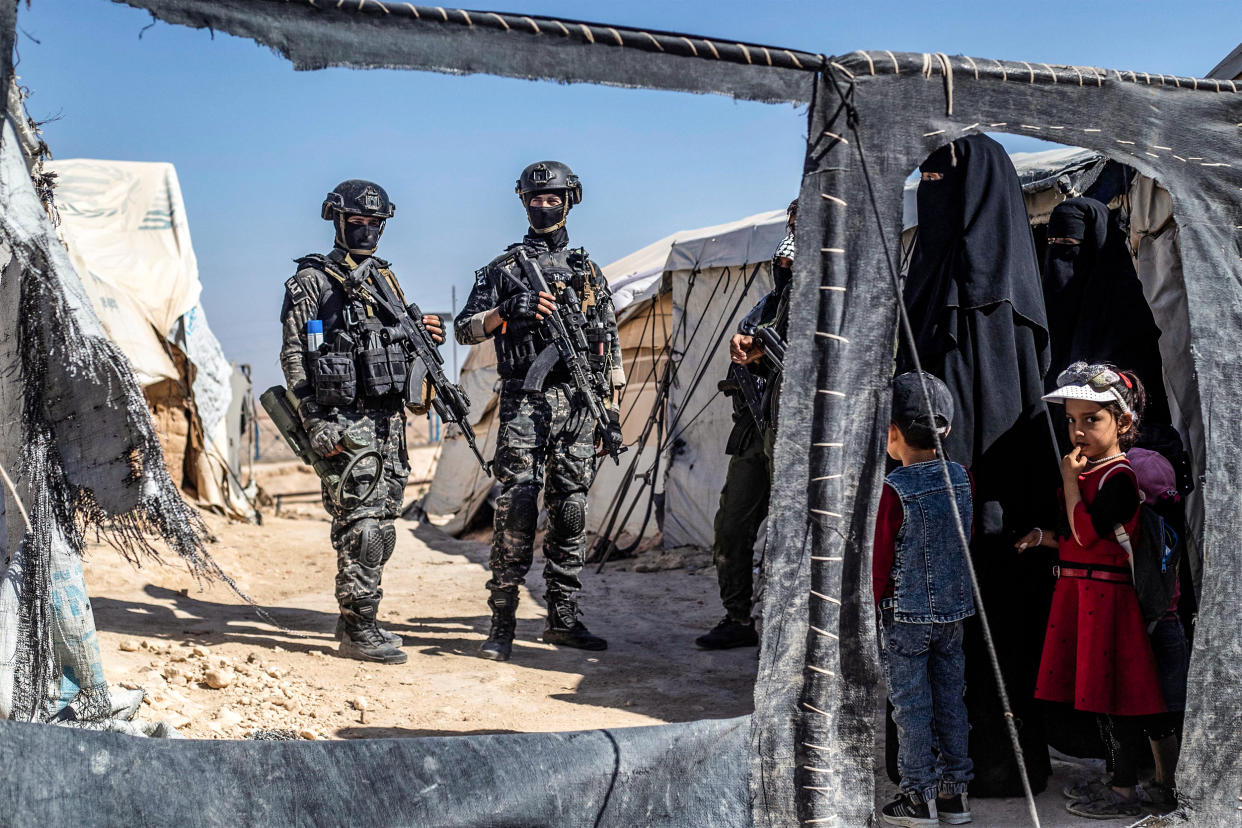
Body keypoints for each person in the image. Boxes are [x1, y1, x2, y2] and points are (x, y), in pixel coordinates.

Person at [898, 135, 1058, 795]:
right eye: (926, 178)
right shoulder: (928, 275)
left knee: (993, 625)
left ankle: (997, 763)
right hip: (929, 499)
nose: (933, 190)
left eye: (945, 179)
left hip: (992, 513)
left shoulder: (1009, 298)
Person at [455, 161, 624, 662]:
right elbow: (466, 327)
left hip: (578, 403)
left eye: (554, 198)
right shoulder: (503, 269)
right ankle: (502, 622)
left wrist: (608, 410)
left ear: (570, 201)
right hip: (525, 401)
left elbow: (609, 345)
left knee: (570, 508)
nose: (544, 205)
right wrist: (507, 311)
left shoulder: (589, 272)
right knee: (518, 504)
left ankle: (563, 617)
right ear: (523, 200)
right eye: (536, 197)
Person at [279, 179, 445, 665]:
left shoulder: (383, 279)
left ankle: (355, 614)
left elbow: (394, 341)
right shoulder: (313, 281)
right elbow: (296, 357)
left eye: (376, 223)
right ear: (337, 220)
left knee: (383, 526)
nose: (368, 230)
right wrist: (314, 419)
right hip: (343, 419)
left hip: (386, 420)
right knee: (363, 527)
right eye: (359, 222)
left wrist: (419, 333)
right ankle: (359, 627)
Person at [1015, 362, 1167, 819]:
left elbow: (1087, 535)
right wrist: (1046, 538)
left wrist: (1066, 481)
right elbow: (1079, 540)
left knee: (1117, 699)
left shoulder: (1118, 477)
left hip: (1108, 602)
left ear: (1123, 422)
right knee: (1101, 699)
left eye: (1091, 420)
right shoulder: (1092, 472)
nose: (1078, 431)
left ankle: (1126, 791)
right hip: (1084, 598)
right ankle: (1119, 781)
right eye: (1071, 421)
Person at [874, 371, 975, 827]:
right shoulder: (962, 477)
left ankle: (917, 798)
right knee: (951, 698)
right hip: (953, 611)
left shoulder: (893, 490)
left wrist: (871, 605)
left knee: (912, 705)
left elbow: (880, 561)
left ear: (891, 432)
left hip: (906, 615)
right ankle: (955, 796)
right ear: (947, 429)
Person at [695, 199, 796, 650]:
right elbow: (750, 334)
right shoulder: (775, 297)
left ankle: (790, 629)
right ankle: (738, 618)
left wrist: (769, 349)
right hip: (757, 425)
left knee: (791, 535)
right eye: (792, 225)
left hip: (799, 434)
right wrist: (748, 347)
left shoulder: (839, 292)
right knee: (732, 525)